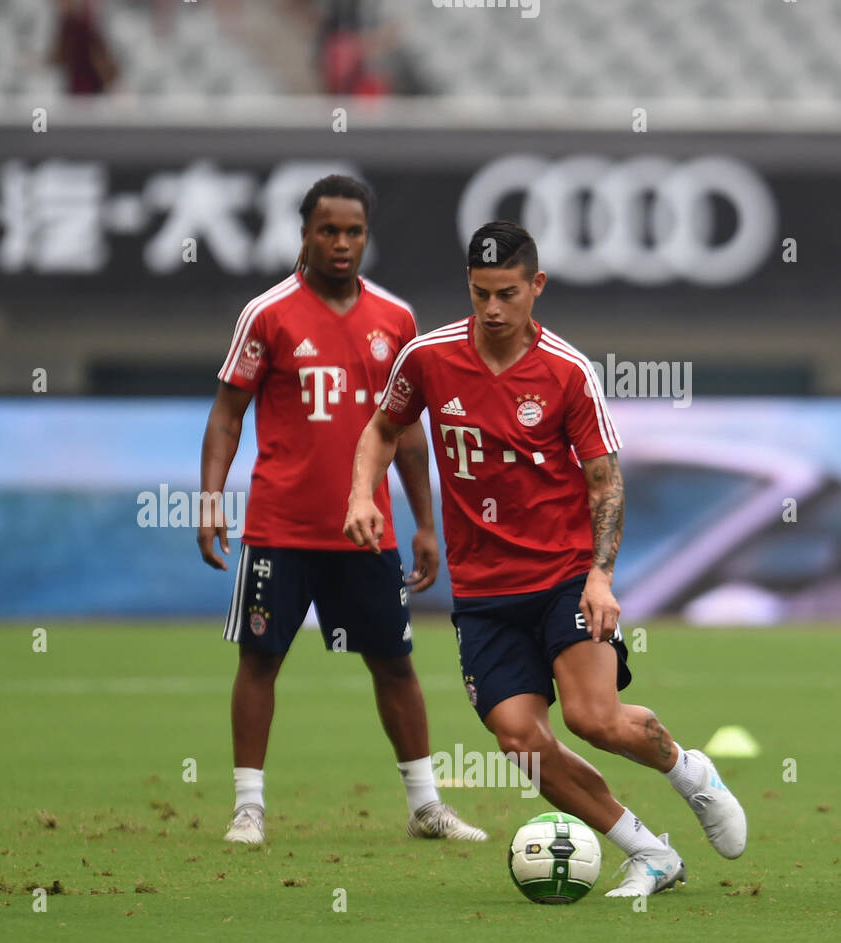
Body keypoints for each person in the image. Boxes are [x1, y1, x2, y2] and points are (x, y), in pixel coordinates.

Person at [345, 220, 747, 897]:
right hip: (482, 590)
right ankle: (650, 853)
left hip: (564, 575)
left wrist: (601, 575)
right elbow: (384, 427)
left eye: (507, 292)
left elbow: (604, 480)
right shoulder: (428, 358)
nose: (493, 309)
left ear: (537, 286)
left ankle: (688, 773)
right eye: (480, 294)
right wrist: (362, 494)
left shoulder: (568, 371)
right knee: (519, 742)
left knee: (595, 719)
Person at [198, 174, 487, 846]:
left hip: (366, 530)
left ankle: (425, 806)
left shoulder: (396, 319)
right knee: (260, 659)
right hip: (280, 527)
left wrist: (424, 523)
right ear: (303, 233)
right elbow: (226, 415)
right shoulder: (267, 314)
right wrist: (211, 499)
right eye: (327, 230)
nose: (341, 243)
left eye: (353, 231)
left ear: (366, 236)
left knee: (394, 662)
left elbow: (409, 433)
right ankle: (249, 806)